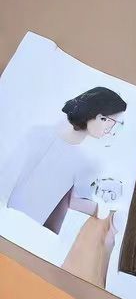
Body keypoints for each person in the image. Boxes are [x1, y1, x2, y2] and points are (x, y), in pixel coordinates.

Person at [0, 87, 126, 235]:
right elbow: (74, 202)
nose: (111, 130)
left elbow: (7, 174)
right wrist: (104, 210)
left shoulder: (38, 132)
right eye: (113, 122)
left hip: (11, 218)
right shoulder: (85, 160)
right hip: (30, 230)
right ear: (100, 117)